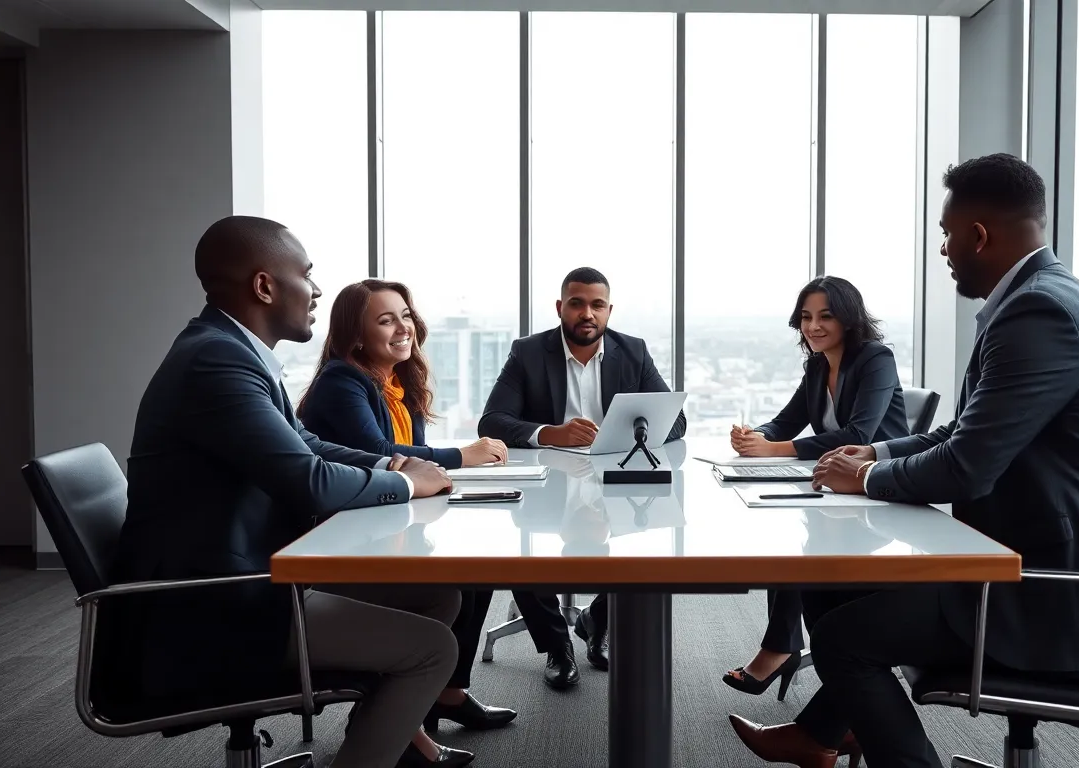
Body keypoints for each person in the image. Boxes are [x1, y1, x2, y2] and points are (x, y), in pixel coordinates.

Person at [729, 154, 1079, 768]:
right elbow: (963, 431)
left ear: (978, 234)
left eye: (947, 234)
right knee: (831, 589)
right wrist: (875, 451)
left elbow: (967, 467)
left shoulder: (1041, 314)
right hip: (1018, 558)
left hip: (1056, 591)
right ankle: (821, 734)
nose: (944, 251)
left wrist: (867, 476)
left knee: (842, 638)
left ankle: (843, 740)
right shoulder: (1035, 300)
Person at [113, 215, 474, 768]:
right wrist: (403, 481)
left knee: (437, 596)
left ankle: (380, 732)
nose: (317, 291)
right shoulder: (216, 360)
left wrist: (396, 465)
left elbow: (309, 445)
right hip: (213, 605)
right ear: (264, 286)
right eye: (306, 274)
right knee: (434, 649)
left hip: (247, 575)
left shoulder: (232, 350)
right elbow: (307, 482)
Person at [297, 278, 517, 732]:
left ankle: (448, 695)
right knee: (461, 578)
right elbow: (389, 456)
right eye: (385, 320)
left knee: (478, 572)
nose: (403, 328)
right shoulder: (342, 381)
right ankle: (414, 702)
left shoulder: (397, 383)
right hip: (342, 537)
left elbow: (411, 462)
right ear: (356, 336)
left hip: (382, 521)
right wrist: (463, 456)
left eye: (405, 316)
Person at [478, 266, 687, 689]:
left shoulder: (633, 352)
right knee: (523, 564)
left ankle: (597, 621)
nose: (587, 313)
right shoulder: (529, 352)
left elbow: (676, 422)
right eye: (577, 303)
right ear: (561, 308)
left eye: (597, 305)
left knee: (648, 553)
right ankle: (558, 646)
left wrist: (620, 434)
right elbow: (492, 421)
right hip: (548, 475)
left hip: (612, 475)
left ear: (609, 311)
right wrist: (549, 433)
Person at [724, 275, 909, 697]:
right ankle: (787, 648)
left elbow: (859, 435)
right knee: (785, 533)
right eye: (806, 317)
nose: (813, 326)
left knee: (797, 546)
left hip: (879, 489)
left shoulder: (875, 358)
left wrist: (775, 449)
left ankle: (781, 648)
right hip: (834, 487)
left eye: (825, 316)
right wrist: (756, 435)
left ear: (848, 317)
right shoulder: (817, 365)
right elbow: (786, 422)